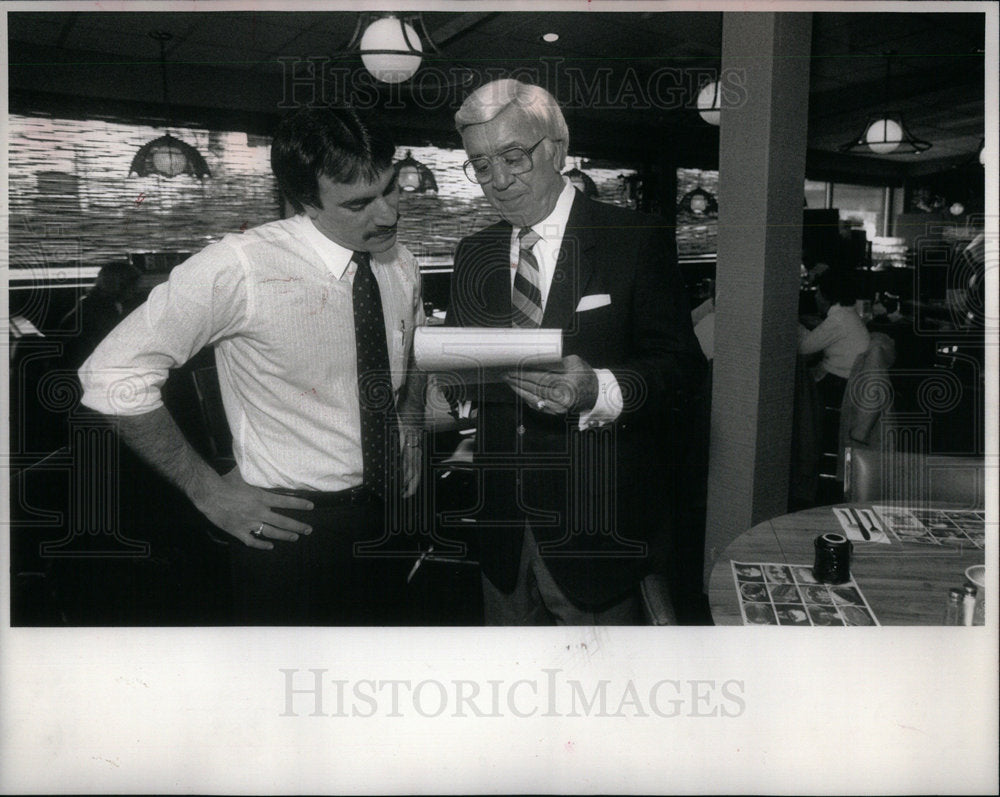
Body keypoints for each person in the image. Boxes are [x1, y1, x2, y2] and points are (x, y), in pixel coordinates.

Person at [79, 106, 426, 625]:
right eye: (359, 203)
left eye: (391, 188)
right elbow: (110, 377)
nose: (388, 215)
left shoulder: (401, 260)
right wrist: (208, 491)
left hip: (391, 513)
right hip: (291, 531)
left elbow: (415, 345)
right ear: (305, 201)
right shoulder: (240, 265)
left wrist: (413, 422)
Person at [446, 79, 706, 625]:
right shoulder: (472, 254)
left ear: (557, 150)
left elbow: (680, 371)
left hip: (597, 531)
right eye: (481, 164)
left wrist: (600, 390)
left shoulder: (632, 238)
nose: (498, 181)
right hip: (501, 534)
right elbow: (469, 383)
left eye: (513, 157)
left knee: (603, 700)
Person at [798, 267, 870, 411]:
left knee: (794, 383)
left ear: (827, 296)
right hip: (849, 380)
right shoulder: (848, 314)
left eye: (818, 291)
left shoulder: (838, 319)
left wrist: (794, 324)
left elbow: (803, 348)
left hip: (838, 384)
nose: (816, 296)